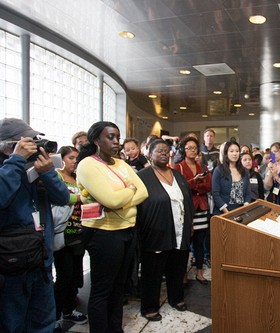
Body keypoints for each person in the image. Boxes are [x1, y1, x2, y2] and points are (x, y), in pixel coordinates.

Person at [76, 121, 148, 333]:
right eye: (110, 137)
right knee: (102, 290)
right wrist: (130, 190)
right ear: (96, 139)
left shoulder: (121, 164)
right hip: (104, 234)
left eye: (118, 137)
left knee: (119, 289)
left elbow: (144, 192)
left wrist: (123, 195)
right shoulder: (88, 165)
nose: (116, 142)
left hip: (127, 230)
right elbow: (110, 200)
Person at [0, 118, 69, 333]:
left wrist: (48, 172)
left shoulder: (37, 169)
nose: (35, 147)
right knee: (12, 324)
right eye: (28, 142)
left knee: (43, 322)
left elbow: (62, 197)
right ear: (9, 146)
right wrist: (15, 161)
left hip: (41, 261)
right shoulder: (9, 169)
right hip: (10, 264)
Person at [137, 139, 194, 320]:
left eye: (166, 150)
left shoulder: (177, 175)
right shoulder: (142, 176)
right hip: (155, 231)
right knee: (152, 271)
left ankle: (176, 298)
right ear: (149, 154)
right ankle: (149, 306)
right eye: (159, 150)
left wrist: (190, 224)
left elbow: (188, 201)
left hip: (180, 229)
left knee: (177, 267)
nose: (163, 153)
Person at [53, 146, 88, 326]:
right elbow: (62, 198)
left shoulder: (77, 178)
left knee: (74, 275)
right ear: (61, 159)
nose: (74, 161)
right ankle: (56, 314)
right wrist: (81, 198)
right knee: (64, 276)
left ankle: (68, 310)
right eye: (71, 157)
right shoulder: (56, 176)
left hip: (79, 232)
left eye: (77, 158)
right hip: (62, 232)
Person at [173, 136, 212, 284]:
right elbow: (179, 187)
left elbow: (208, 186)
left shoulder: (202, 166)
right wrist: (194, 182)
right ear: (183, 149)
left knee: (200, 242)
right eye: (188, 148)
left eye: (194, 148)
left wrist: (194, 185)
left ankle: (199, 272)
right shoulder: (178, 167)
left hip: (201, 207)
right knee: (185, 243)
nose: (192, 150)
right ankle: (183, 273)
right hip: (187, 208)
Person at [211, 140, 252, 215]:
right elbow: (215, 194)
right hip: (223, 212)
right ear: (226, 153)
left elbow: (248, 193)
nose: (235, 154)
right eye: (231, 151)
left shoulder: (244, 171)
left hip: (241, 211)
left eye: (237, 151)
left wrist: (246, 205)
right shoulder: (219, 170)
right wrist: (227, 212)